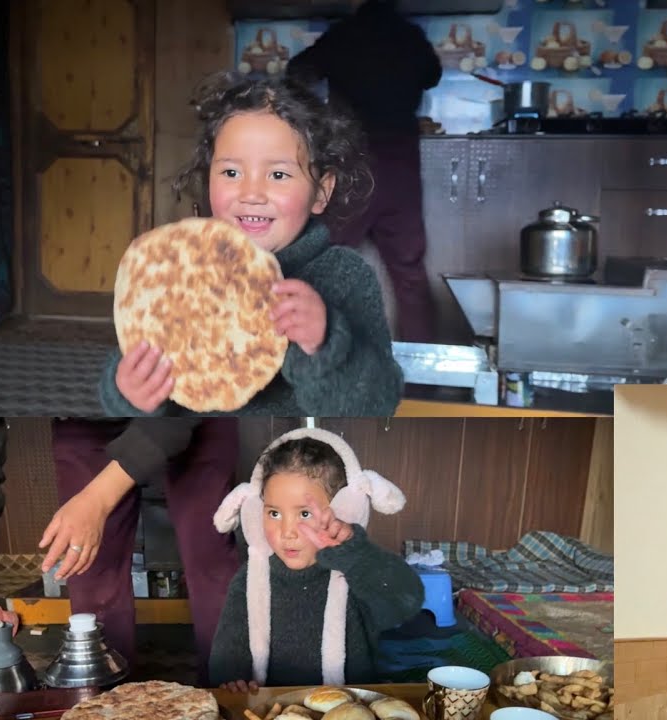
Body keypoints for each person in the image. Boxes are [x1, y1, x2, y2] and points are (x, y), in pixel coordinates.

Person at [100, 73, 404, 417]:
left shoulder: (345, 276)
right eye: (231, 173)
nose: (251, 194)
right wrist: (127, 395)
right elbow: (133, 368)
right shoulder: (173, 278)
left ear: (321, 191)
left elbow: (376, 406)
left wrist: (326, 342)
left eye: (278, 175)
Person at [0, 418, 242, 686]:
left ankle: (230, 692)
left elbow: (178, 409)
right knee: (91, 570)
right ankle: (107, 700)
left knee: (209, 555)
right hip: (85, 407)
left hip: (186, 394)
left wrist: (98, 499)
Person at [209, 428, 423, 690]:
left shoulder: (355, 572)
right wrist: (232, 680)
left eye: (305, 514)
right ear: (256, 510)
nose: (287, 532)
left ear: (344, 509)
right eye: (274, 513)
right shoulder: (249, 579)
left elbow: (406, 601)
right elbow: (228, 650)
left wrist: (356, 554)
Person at [288, 0, 442, 343]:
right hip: (402, 165)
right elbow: (433, 75)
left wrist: (315, 115)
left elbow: (297, 71)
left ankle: (308, 355)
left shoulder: (345, 35)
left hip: (354, 161)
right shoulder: (410, 36)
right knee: (410, 274)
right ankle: (422, 377)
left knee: (322, 262)